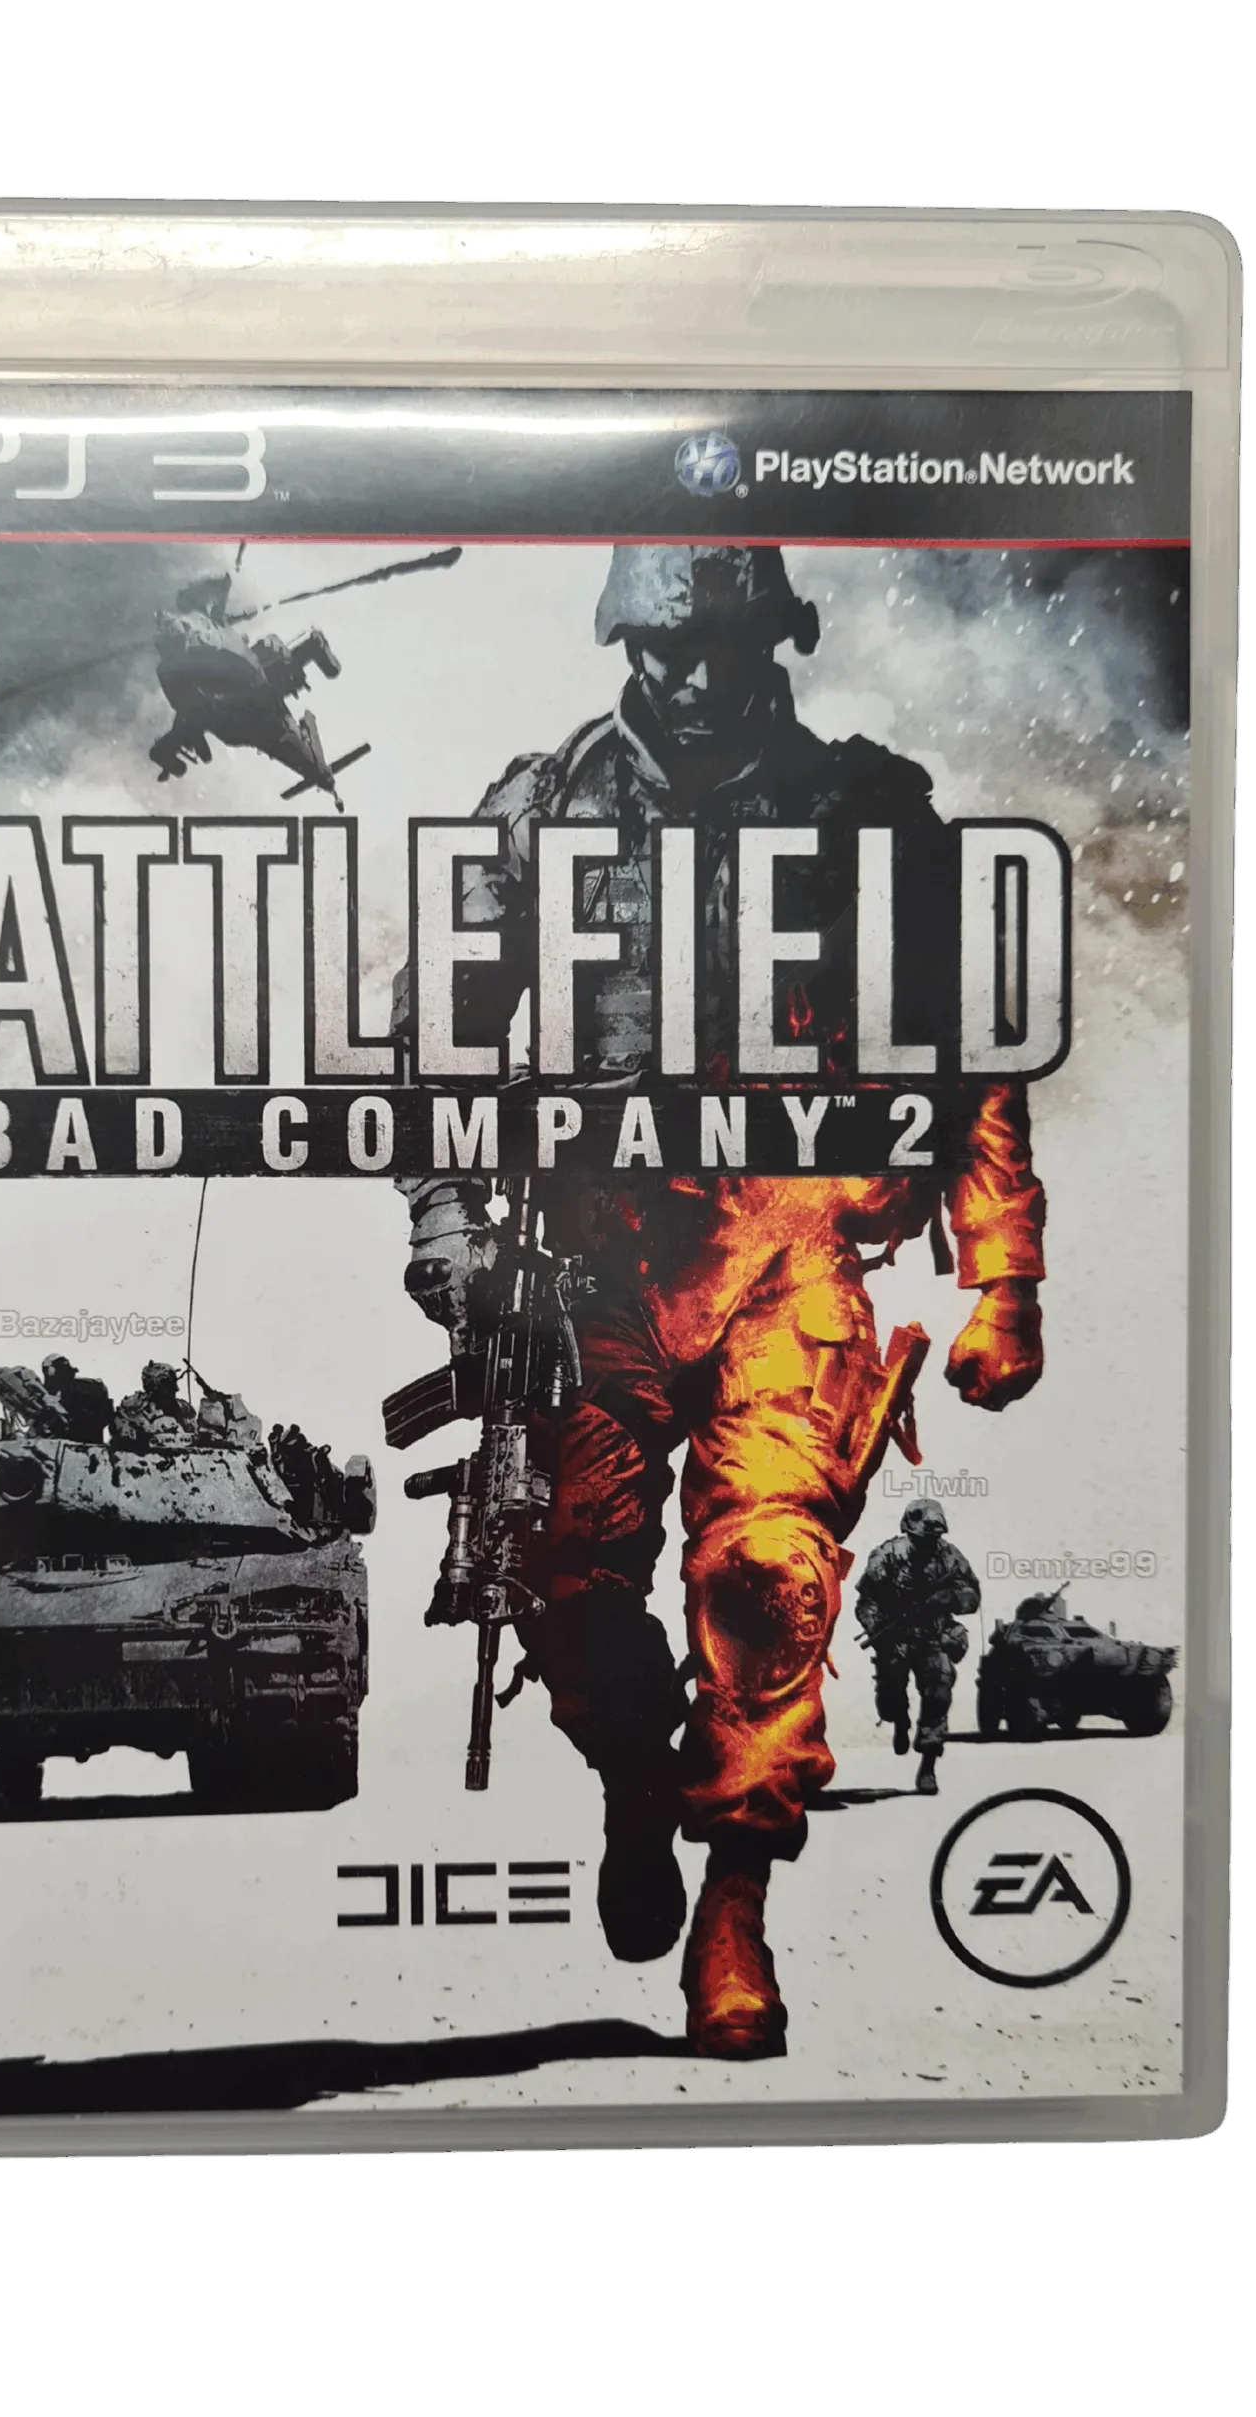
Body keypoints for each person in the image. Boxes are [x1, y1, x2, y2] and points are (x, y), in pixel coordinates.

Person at [397, 545, 1047, 2060]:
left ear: (778, 643)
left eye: (729, 647)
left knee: (768, 1582)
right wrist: (445, 1217)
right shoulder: (541, 812)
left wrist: (1002, 1275)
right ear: (623, 645)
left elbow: (972, 1049)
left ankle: (735, 1905)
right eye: (666, 650)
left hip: (791, 1255)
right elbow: (441, 1035)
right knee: (568, 1592)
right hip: (591, 1265)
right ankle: (638, 1781)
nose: (696, 679)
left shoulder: (870, 812)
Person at [854, 1498, 980, 1794]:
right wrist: (877, 1630)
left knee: (939, 1691)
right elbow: (866, 1602)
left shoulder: (950, 1557)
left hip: (934, 1636)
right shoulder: (886, 1556)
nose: (927, 1545)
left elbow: (972, 1596)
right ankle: (900, 1720)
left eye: (933, 1540)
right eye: (922, 1539)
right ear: (909, 1532)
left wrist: (951, 1599)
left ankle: (928, 1764)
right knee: (889, 1697)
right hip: (896, 1638)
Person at [111, 1360, 198, 1451]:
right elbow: (119, 1434)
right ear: (152, 1384)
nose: (176, 1389)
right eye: (167, 1383)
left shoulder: (183, 1409)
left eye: (175, 1382)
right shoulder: (133, 1408)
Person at [40, 1355, 114, 1444]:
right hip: (56, 1443)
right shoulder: (50, 1392)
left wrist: (60, 1407)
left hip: (84, 1443)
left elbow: (99, 1417)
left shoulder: (87, 1388)